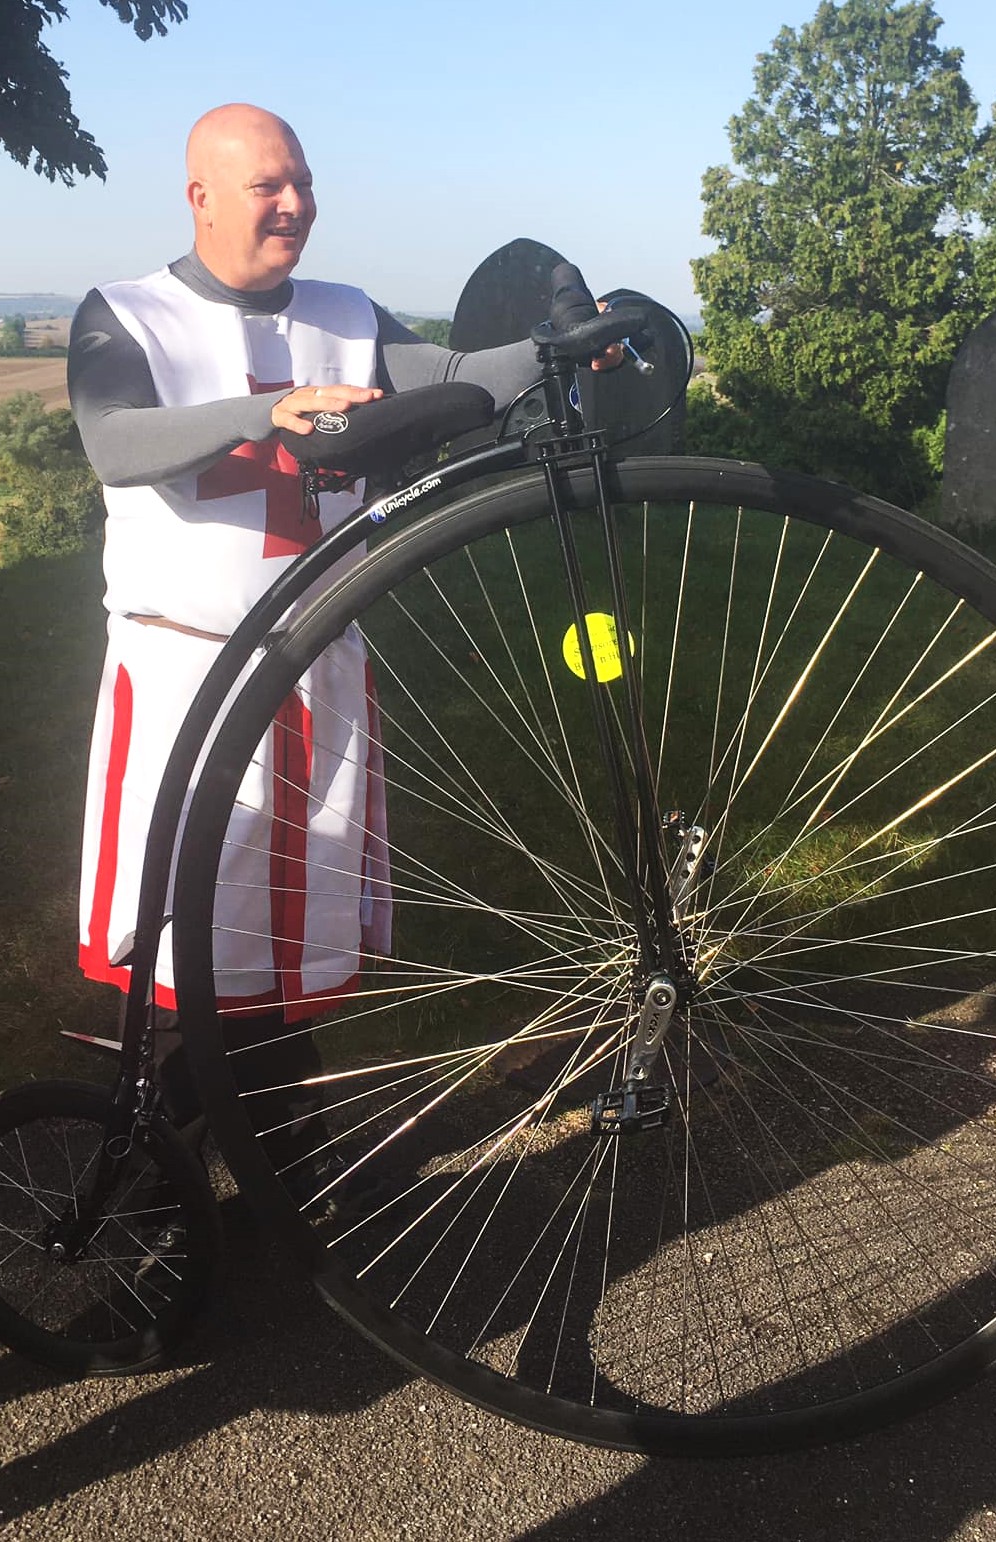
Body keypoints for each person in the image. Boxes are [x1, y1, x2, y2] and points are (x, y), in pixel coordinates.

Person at [68, 103, 609, 1182]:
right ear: (202, 195)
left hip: (317, 670)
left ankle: (267, 1145)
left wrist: (558, 349)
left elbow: (453, 369)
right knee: (196, 933)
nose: (293, 205)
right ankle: (161, 1168)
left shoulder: (341, 312)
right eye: (268, 185)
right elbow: (115, 442)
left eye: (302, 183)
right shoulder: (126, 316)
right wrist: (264, 412)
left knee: (287, 930)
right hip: (190, 671)